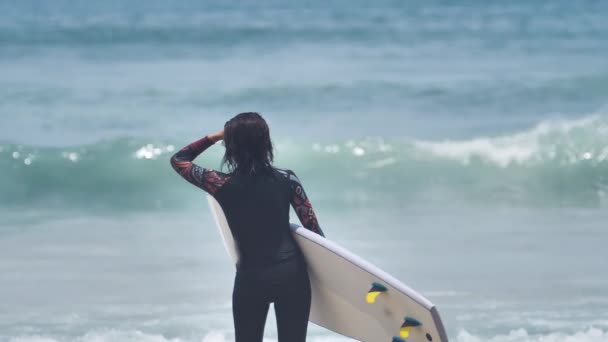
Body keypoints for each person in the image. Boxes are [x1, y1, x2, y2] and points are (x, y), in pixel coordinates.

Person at [170, 112, 325, 342]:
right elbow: (314, 231)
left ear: (231, 146)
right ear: (266, 143)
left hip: (252, 278)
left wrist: (215, 136)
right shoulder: (287, 179)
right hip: (292, 275)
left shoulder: (220, 183)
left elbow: (179, 160)